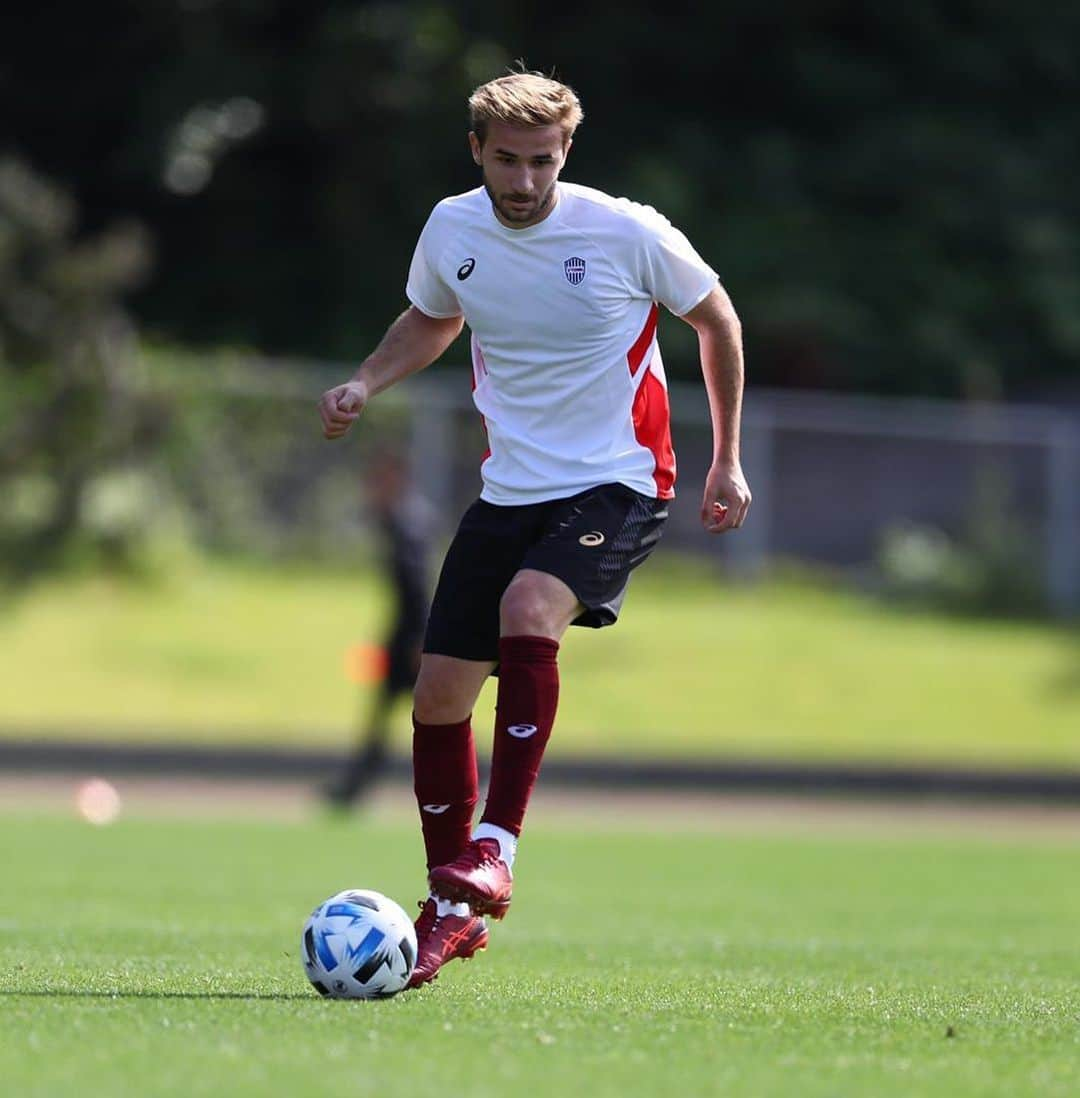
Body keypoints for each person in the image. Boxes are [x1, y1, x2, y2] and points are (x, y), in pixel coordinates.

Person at [318, 70, 751, 989]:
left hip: (621, 480)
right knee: (435, 696)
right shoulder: (452, 228)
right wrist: (366, 380)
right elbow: (433, 318)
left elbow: (716, 319)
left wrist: (727, 457)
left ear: (566, 155)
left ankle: (496, 850)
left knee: (530, 606)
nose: (523, 182)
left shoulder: (626, 231)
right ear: (476, 151)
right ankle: (448, 914)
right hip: (509, 490)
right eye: (506, 161)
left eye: (541, 163)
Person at [323, 451, 434, 808]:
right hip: (401, 633)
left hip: (411, 637)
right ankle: (355, 787)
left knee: (433, 714)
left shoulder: (409, 525)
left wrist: (420, 639)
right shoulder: (398, 521)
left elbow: (418, 588)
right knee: (391, 714)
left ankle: (461, 784)